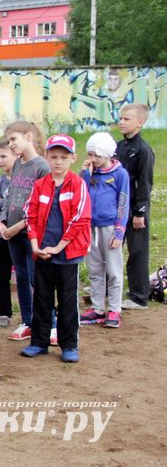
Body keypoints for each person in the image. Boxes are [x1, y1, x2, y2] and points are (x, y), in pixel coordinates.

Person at [21, 135, 90, 363]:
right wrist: (35, 245)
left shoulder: (78, 184)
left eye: (63, 157)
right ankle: (39, 342)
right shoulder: (40, 185)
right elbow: (30, 215)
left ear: (73, 158)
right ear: (46, 157)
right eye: (53, 157)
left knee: (67, 302)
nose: (58, 162)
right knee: (42, 299)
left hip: (68, 255)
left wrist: (58, 246)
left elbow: (80, 219)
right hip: (42, 254)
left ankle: (68, 344)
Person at [0, 120, 49, 342]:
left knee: (35, 278)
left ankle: (49, 322)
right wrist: (3, 220)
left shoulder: (42, 167)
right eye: (8, 140)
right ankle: (28, 321)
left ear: (28, 136)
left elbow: (42, 206)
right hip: (12, 232)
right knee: (20, 278)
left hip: (31, 233)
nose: (10, 144)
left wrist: (19, 226)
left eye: (13, 139)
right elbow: (10, 195)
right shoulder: (18, 164)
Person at [80, 132, 130, 328]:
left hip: (109, 227)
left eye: (97, 156)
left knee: (113, 270)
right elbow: (81, 195)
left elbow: (123, 203)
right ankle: (98, 307)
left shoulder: (120, 174)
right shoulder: (89, 173)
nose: (93, 159)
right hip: (90, 227)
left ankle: (114, 309)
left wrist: (119, 232)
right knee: (94, 269)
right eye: (90, 154)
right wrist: (85, 174)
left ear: (108, 154)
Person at [116, 104, 155, 310]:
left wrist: (139, 212)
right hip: (118, 207)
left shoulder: (143, 150)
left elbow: (145, 183)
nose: (121, 122)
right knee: (112, 247)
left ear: (140, 123)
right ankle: (109, 287)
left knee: (137, 251)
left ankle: (139, 296)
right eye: (120, 118)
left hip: (135, 209)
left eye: (126, 119)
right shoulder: (118, 147)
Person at [0, 141, 16, 327]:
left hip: (21, 233)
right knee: (2, 275)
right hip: (2, 234)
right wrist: (2, 202)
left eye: (4, 156)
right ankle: (4, 312)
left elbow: (12, 203)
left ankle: (32, 311)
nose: (0, 160)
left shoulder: (22, 180)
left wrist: (1, 202)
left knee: (27, 275)